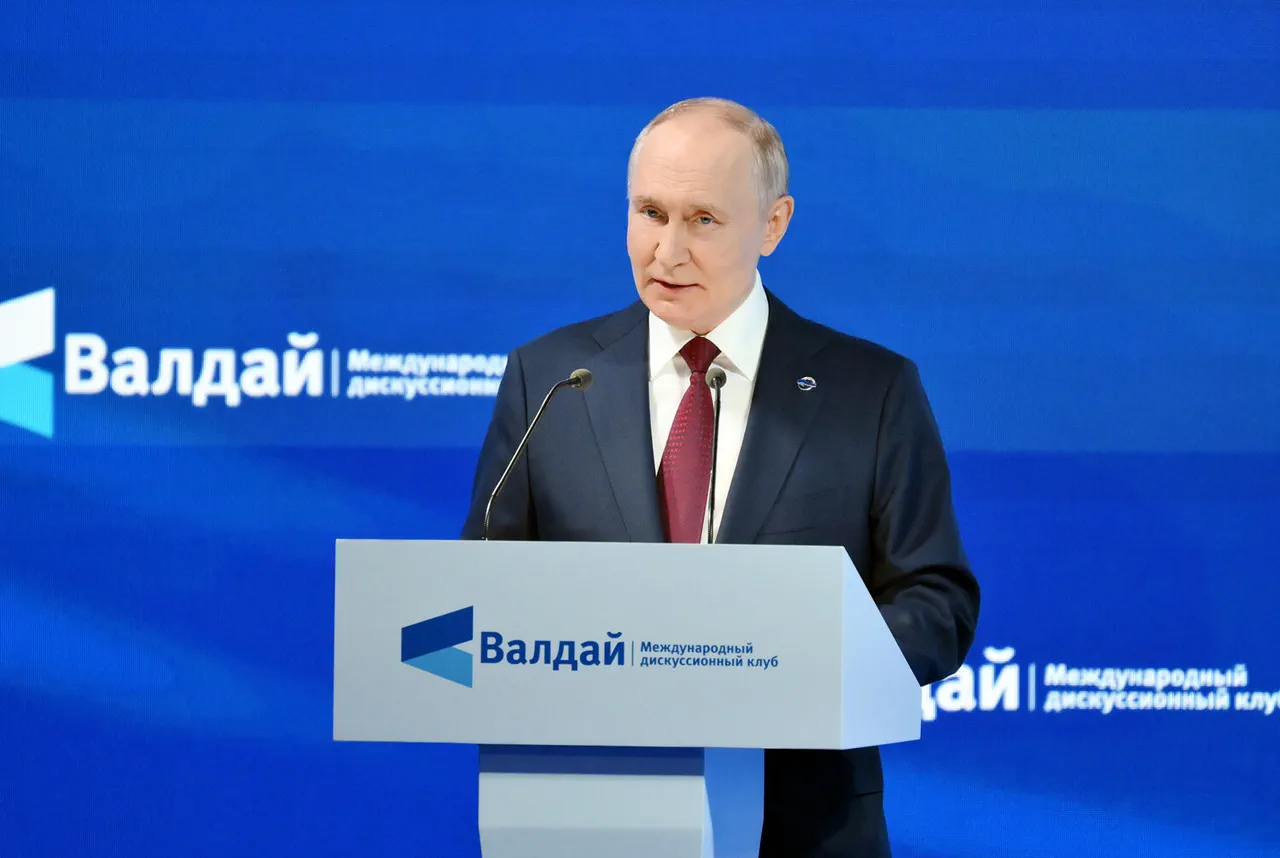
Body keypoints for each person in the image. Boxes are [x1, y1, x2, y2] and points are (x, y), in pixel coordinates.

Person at [461, 97, 980, 858]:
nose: (667, 251)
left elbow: (937, 601)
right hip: (588, 813)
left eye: (702, 219)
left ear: (773, 225)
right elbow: (481, 590)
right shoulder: (550, 380)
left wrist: (794, 664)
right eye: (650, 213)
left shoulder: (870, 391)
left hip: (804, 826)